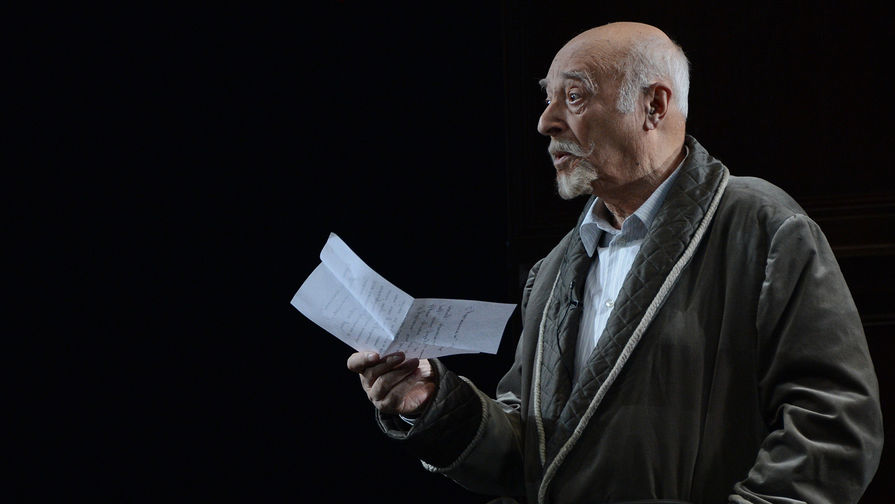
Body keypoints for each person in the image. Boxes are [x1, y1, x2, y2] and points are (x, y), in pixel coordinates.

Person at [346, 22, 883, 504]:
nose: (546, 122)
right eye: (548, 99)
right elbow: (531, 453)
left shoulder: (761, 226)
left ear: (654, 106)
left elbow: (834, 424)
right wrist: (434, 403)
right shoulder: (552, 270)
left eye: (574, 96)